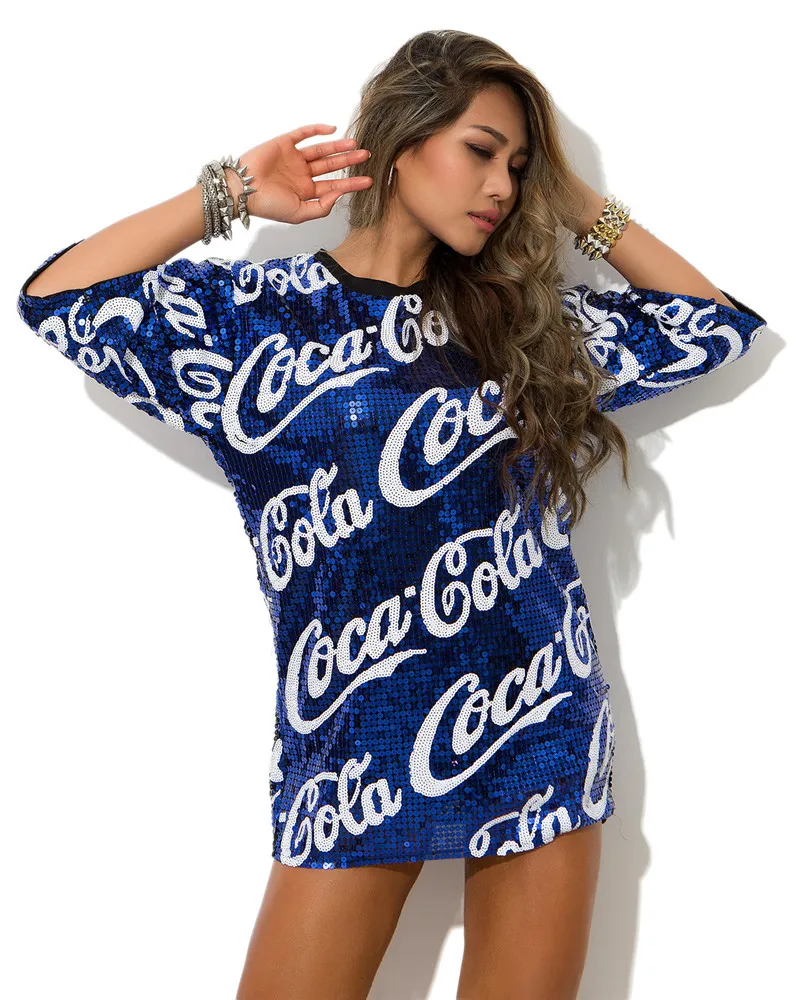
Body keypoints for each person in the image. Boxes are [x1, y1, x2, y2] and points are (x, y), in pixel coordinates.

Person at [16, 28, 766, 1000]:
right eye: (481, 150)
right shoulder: (255, 319)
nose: (500, 186)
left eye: (518, 166)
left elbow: (711, 324)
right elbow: (60, 297)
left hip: (535, 718)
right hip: (352, 746)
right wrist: (228, 192)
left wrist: (575, 200)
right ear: (403, 141)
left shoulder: (522, 325)